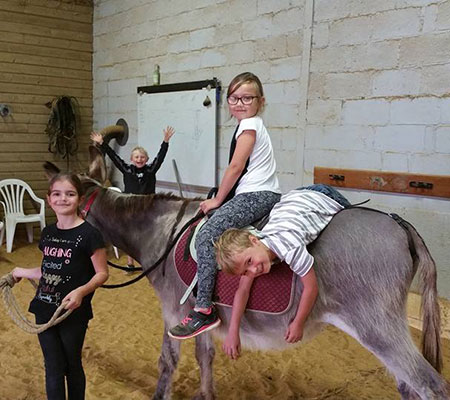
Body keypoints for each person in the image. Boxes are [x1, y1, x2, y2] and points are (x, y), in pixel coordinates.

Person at [168, 72, 281, 340]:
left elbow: (236, 166)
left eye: (247, 98)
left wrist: (219, 199)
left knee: (207, 235)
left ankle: (204, 308)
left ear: (260, 101)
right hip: (257, 192)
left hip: (256, 196)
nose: (239, 103)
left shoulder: (249, 125)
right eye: (234, 98)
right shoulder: (252, 124)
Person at [214, 188, 345, 360]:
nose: (254, 271)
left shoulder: (290, 246)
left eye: (249, 262)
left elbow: (311, 287)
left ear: (254, 240)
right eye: (246, 271)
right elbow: (242, 291)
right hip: (293, 199)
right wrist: (233, 331)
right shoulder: (256, 247)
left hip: (323, 195)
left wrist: (299, 322)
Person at [12, 172, 109, 400]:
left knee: (72, 365)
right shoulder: (48, 233)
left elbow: (102, 273)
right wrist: (20, 272)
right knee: (53, 367)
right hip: (44, 308)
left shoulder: (90, 235)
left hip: (72, 312)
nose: (62, 199)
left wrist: (81, 291)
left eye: (70, 194)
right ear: (49, 199)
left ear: (80, 199)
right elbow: (49, 270)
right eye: (57, 194)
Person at [90, 126, 175, 269]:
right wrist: (103, 143)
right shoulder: (127, 169)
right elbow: (114, 157)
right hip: (130, 205)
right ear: (132, 159)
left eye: (142, 157)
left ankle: (151, 259)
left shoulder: (151, 169)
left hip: (148, 205)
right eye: (136, 157)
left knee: (148, 233)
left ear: (146, 159)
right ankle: (130, 261)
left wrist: (165, 142)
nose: (139, 159)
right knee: (130, 234)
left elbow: (160, 157)